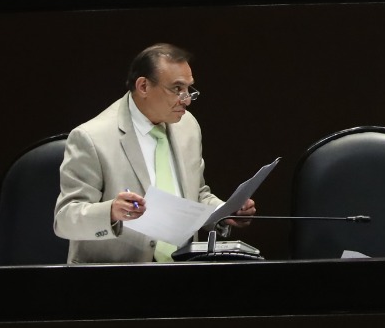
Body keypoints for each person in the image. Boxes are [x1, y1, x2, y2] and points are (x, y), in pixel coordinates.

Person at [54, 43, 254, 263]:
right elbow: (65, 220)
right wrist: (111, 211)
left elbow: (195, 194)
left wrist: (224, 212)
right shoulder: (92, 137)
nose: (187, 99)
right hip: (116, 273)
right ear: (143, 86)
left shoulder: (187, 126)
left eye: (189, 89)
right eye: (177, 89)